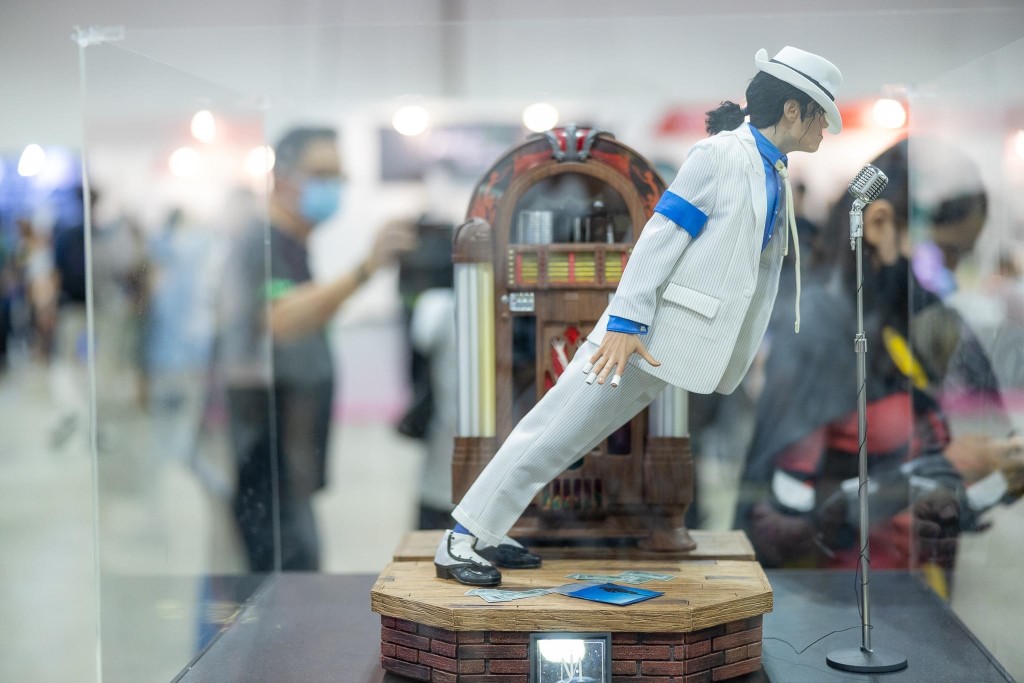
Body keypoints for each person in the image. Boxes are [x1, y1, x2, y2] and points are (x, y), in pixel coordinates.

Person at [434, 46, 844, 586]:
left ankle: (487, 528)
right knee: (553, 429)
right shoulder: (718, 156)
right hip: (643, 334)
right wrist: (626, 323)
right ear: (793, 109)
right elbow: (660, 235)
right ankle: (460, 537)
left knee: (571, 438)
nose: (824, 129)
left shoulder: (771, 170)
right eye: (820, 115)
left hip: (674, 341)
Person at [736, 138, 1022, 573]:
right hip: (842, 602)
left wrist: (998, 478)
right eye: (945, 254)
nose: (949, 275)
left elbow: (924, 506)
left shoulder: (894, 319)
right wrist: (944, 470)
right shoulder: (823, 327)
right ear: (879, 224)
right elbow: (778, 525)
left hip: (903, 592)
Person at [218, 127, 413, 571]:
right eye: (321, 174)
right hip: (266, 452)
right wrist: (365, 270)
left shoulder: (294, 246)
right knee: (284, 579)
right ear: (282, 177)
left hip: (292, 455)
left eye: (338, 176)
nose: (333, 187)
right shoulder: (259, 242)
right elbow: (281, 320)